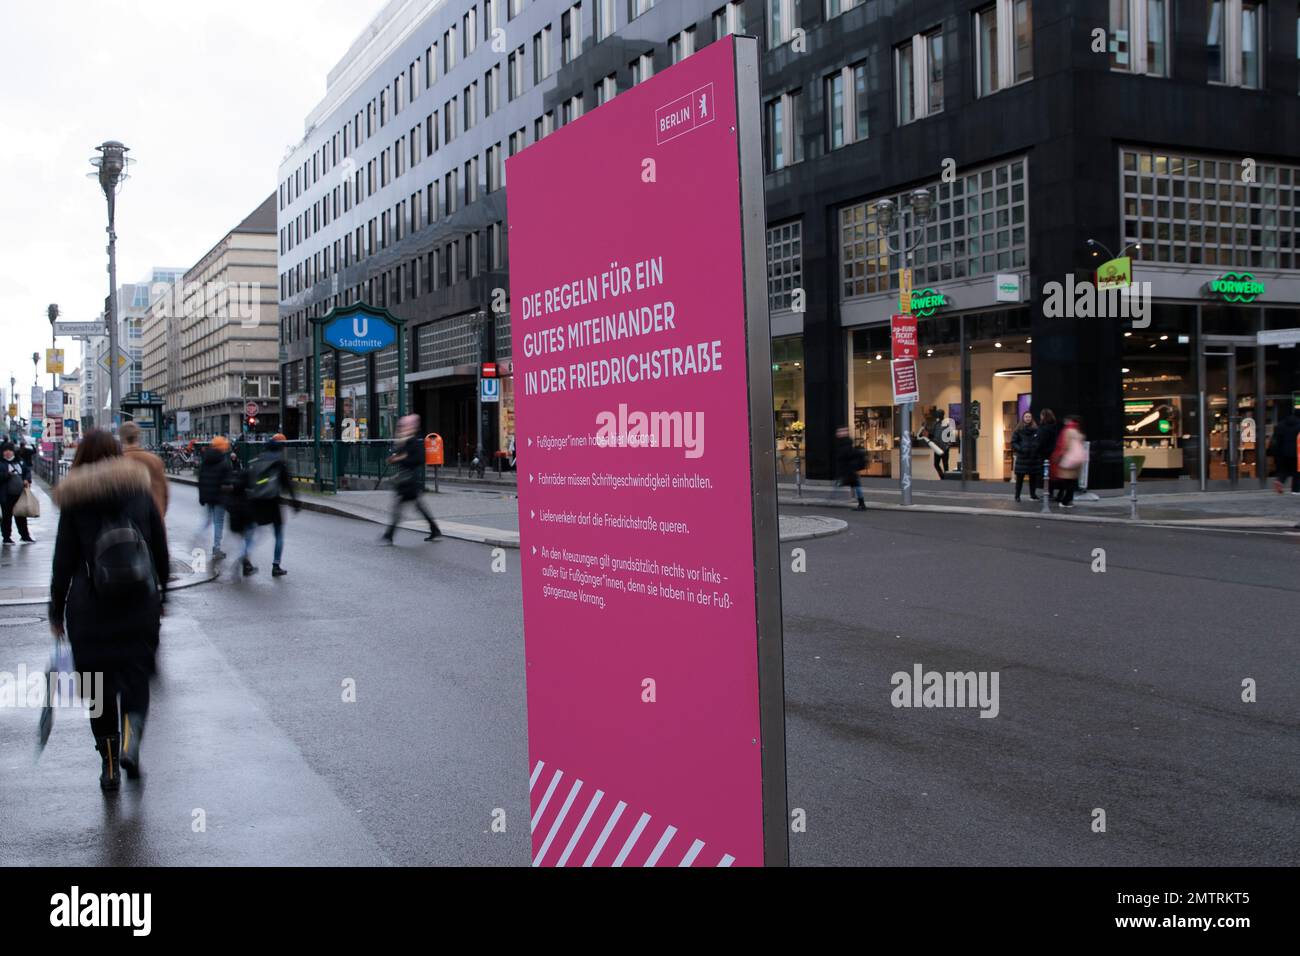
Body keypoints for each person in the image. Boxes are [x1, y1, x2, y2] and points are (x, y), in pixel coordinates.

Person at [48, 429, 168, 791]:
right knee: (135, 681)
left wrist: (56, 610)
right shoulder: (138, 490)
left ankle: (111, 765)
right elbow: (158, 548)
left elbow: (63, 560)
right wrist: (163, 596)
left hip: (90, 609)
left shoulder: (75, 500)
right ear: (117, 454)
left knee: (99, 691)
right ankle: (132, 745)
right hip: (138, 603)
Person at [233, 434, 300, 576]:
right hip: (273, 502)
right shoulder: (280, 463)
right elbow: (288, 484)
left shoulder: (257, 460)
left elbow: (244, 480)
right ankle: (276, 566)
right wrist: (295, 503)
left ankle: (245, 559)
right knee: (278, 534)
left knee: (251, 532)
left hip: (255, 501)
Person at [382, 415, 442, 543]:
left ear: (412, 427)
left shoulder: (416, 441)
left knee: (401, 508)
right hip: (405, 480)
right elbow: (397, 455)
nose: (402, 428)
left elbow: (418, 459)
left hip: (410, 480)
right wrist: (395, 458)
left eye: (405, 426)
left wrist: (400, 458)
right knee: (416, 507)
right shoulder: (405, 441)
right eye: (402, 426)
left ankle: (389, 535)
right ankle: (435, 530)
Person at [196, 436, 235, 561]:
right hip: (219, 498)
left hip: (208, 496)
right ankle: (216, 549)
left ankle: (198, 537)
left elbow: (201, 479)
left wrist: (202, 497)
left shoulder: (205, 460)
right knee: (218, 523)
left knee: (207, 521)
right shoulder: (224, 463)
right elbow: (228, 483)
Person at [120, 422, 168, 518]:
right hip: (155, 518)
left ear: (122, 438)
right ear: (138, 437)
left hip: (129, 524)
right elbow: (165, 492)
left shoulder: (118, 461)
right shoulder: (155, 460)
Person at [1, 440, 35, 544]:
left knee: (21, 515)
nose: (8, 453)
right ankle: (6, 537)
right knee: (7, 516)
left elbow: (27, 472)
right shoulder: (1, 463)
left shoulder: (19, 461)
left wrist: (26, 479)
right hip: (6, 494)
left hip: (20, 494)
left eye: (10, 450)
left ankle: (25, 536)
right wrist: (7, 474)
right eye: (5, 451)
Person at [1052, 415, 1087, 509]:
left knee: (1066, 482)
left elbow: (1064, 445)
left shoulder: (1068, 431)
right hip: (1077, 460)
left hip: (1068, 460)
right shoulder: (1078, 430)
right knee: (1072, 482)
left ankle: (1065, 501)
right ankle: (1069, 501)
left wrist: (1058, 456)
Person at [1268, 410, 1300, 495]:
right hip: (1297, 452)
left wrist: (1276, 452)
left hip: (1283, 452)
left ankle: (1280, 481)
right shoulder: (1299, 425)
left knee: (1284, 470)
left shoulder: (1281, 424)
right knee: (1297, 471)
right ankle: (1295, 490)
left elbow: (1276, 439)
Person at [834, 426, 867, 511]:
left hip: (849, 469)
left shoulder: (845, 444)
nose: (838, 433)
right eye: (838, 431)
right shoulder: (845, 443)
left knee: (855, 485)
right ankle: (861, 503)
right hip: (850, 469)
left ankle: (861, 504)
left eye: (840, 432)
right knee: (856, 485)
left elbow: (845, 456)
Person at [1011, 412, 1041, 502]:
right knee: (1019, 479)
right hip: (1022, 458)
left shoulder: (1036, 429)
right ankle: (1017, 496)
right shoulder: (1018, 430)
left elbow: (1039, 441)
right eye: (1026, 416)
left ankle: (1033, 494)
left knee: (1033, 479)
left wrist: (1035, 448)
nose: (1028, 418)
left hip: (1033, 458)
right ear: (1023, 418)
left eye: (1029, 417)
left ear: (1032, 418)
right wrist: (1020, 449)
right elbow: (1013, 442)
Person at [1035, 409, 1061, 502]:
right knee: (1050, 475)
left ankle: (1047, 494)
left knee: (1046, 475)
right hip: (1052, 454)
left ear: (1044, 416)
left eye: (1041, 415)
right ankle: (1050, 493)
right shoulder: (1054, 427)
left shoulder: (1043, 428)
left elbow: (1040, 442)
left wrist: (1036, 450)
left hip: (1044, 455)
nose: (1040, 417)